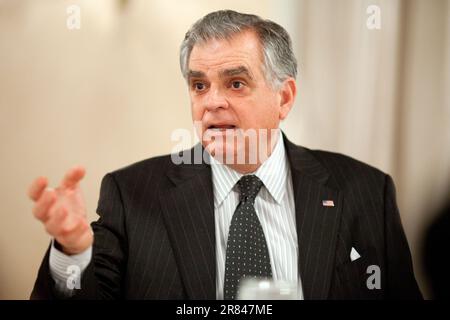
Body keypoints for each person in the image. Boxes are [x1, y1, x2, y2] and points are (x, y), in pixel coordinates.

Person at [28, 10, 422, 300]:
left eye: (235, 83)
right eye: (199, 85)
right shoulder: (132, 195)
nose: (212, 102)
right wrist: (75, 249)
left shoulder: (366, 191)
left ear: (283, 98)